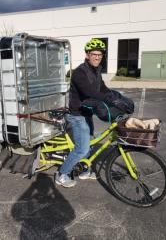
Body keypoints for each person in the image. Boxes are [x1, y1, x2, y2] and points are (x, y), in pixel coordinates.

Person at [55, 38, 134, 188]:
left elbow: (103, 89)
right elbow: (89, 92)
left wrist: (119, 97)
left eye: (100, 54)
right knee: (82, 148)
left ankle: (85, 170)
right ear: (87, 55)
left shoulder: (96, 70)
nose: (97, 57)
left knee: (90, 143)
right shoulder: (79, 73)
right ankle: (62, 174)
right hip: (76, 114)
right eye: (94, 54)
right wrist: (111, 100)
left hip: (87, 112)